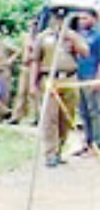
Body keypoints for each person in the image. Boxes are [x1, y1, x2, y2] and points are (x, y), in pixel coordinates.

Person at [36, 9, 89, 167]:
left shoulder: (72, 36)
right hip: (50, 80)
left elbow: (85, 52)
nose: (59, 21)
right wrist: (33, 84)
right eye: (57, 18)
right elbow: (35, 61)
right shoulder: (43, 37)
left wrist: (71, 37)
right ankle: (50, 153)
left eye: (62, 18)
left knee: (67, 117)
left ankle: (59, 148)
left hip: (69, 78)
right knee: (50, 117)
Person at [73, 11, 100, 156]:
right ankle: (87, 142)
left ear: (94, 18)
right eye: (80, 18)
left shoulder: (98, 35)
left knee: (94, 110)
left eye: (85, 18)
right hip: (79, 75)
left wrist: (98, 77)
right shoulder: (79, 35)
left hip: (92, 74)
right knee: (83, 111)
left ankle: (97, 142)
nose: (82, 21)